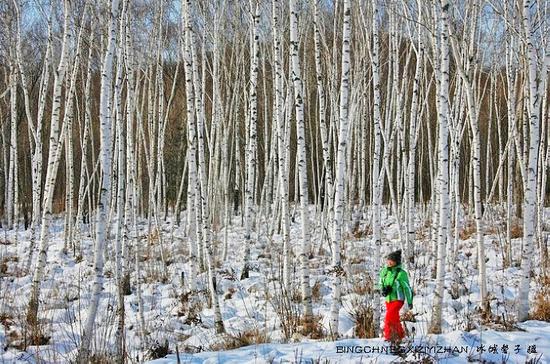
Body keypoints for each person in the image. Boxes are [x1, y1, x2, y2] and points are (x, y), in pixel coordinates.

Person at [379, 249, 413, 342]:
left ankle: (389, 337)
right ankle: (400, 336)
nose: (389, 262)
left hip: (398, 300)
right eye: (388, 260)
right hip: (388, 299)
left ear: (396, 262)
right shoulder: (384, 271)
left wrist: (410, 302)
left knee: (389, 317)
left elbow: (407, 288)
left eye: (391, 260)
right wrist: (383, 289)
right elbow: (380, 282)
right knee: (394, 318)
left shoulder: (402, 273)